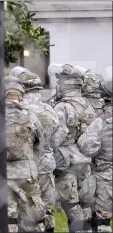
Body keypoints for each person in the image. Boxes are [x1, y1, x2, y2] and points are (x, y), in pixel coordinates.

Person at [10, 66, 61, 233]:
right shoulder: (50, 109)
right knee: (44, 208)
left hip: (24, 166)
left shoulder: (19, 109)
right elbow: (57, 137)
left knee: (23, 208)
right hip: (46, 164)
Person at [48, 63, 96, 232]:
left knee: (71, 205)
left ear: (63, 83)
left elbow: (56, 138)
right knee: (85, 204)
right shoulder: (87, 105)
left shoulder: (63, 106)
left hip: (66, 162)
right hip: (85, 161)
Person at [3, 75, 46, 232]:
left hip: (2, 173)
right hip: (27, 173)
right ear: (20, 93)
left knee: (8, 218)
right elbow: (41, 141)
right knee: (34, 217)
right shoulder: (30, 115)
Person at [77, 66, 112, 233]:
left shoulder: (102, 121)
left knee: (102, 221)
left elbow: (86, 147)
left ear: (104, 99)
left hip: (105, 177)